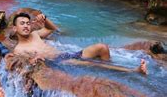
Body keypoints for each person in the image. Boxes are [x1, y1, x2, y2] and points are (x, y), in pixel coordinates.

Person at [12, 12, 148, 74]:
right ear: (14, 28)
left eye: (28, 23)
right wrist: (33, 61)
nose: (26, 26)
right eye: (22, 24)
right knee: (91, 63)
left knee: (102, 47)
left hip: (66, 54)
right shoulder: (19, 49)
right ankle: (132, 71)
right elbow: (24, 67)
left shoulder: (35, 34)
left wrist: (45, 19)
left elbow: (52, 29)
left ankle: (109, 70)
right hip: (58, 63)